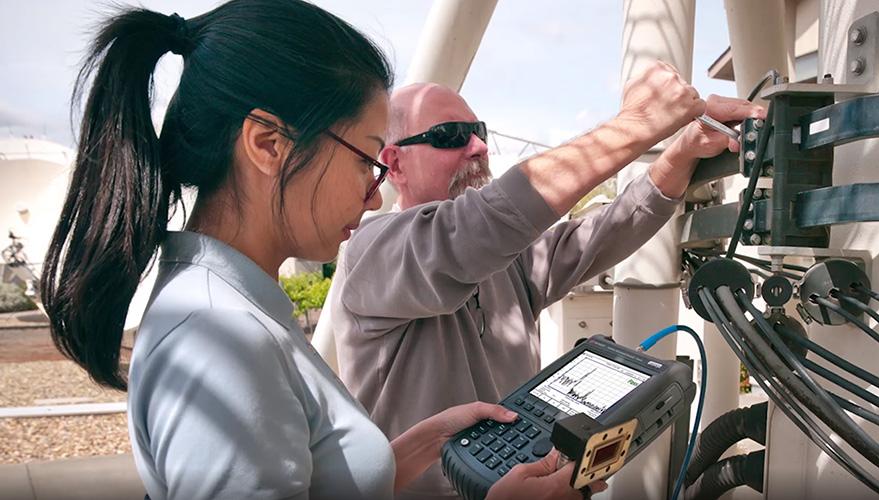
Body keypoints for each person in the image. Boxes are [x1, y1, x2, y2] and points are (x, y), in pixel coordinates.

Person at [32, 0, 725, 498]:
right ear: (267, 145)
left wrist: (415, 447)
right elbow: (476, 228)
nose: (368, 195)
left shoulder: (238, 308)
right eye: (365, 158)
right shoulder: (220, 334)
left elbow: (569, 241)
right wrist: (632, 128)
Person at [313, 78, 763, 498]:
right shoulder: (372, 251)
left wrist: (680, 154)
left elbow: (599, 235)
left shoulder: (502, 259)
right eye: (451, 135)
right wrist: (639, 125)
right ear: (394, 164)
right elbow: (469, 231)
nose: (479, 146)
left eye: (479, 130)